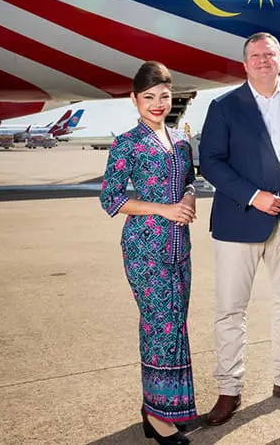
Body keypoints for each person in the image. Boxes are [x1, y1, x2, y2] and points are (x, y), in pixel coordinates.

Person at [198, 32, 280, 426]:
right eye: (255, 55)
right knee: (230, 310)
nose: (263, 60)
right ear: (245, 63)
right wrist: (253, 196)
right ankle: (229, 389)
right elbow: (212, 162)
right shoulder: (224, 106)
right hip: (239, 221)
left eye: (269, 54)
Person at [99, 61, 198, 445]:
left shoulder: (180, 139)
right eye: (149, 97)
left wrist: (188, 196)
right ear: (134, 99)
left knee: (175, 325)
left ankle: (163, 407)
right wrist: (164, 209)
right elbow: (110, 197)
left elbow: (189, 180)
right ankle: (157, 419)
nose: (157, 104)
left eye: (164, 96)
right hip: (145, 246)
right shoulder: (128, 142)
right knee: (158, 326)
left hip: (179, 247)